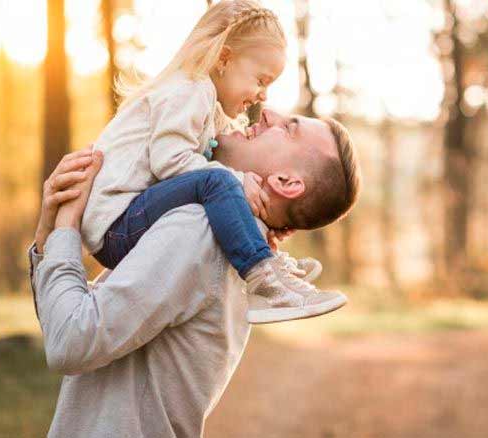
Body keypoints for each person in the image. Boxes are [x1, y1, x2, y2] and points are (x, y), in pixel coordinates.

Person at [30, 108, 360, 437]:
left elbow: (70, 341)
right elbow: (71, 320)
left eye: (289, 128)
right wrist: (48, 240)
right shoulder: (235, 242)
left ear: (286, 182)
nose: (269, 113)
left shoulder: (203, 229)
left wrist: (66, 227)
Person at [82, 0, 343, 324]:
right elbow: (171, 161)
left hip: (129, 219)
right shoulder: (188, 91)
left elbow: (225, 147)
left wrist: (259, 225)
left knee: (221, 180)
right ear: (224, 59)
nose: (263, 97)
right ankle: (265, 281)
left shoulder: (207, 103)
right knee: (218, 181)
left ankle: (267, 258)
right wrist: (234, 179)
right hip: (115, 225)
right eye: (261, 80)